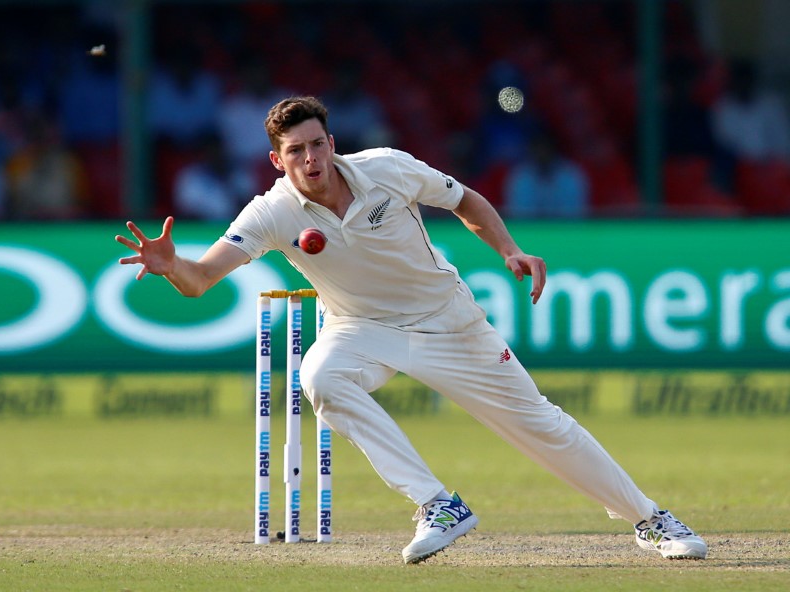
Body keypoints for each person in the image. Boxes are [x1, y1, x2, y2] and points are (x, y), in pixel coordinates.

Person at [116, 96, 707, 564]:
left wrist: (509, 249)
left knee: (542, 425)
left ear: (332, 143)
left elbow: (467, 200)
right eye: (296, 152)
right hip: (360, 327)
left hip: (448, 321)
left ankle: (651, 519)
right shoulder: (271, 213)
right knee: (320, 375)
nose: (311, 160)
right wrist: (173, 267)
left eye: (318, 145)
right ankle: (438, 505)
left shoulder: (387, 168)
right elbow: (201, 280)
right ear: (277, 160)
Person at [503, 132, 589, 218]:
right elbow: (519, 215)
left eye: (545, 149)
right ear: (531, 150)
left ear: (553, 150)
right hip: (530, 229)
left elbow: (574, 214)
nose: (542, 154)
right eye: (538, 149)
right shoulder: (520, 177)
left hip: (565, 229)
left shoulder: (571, 175)